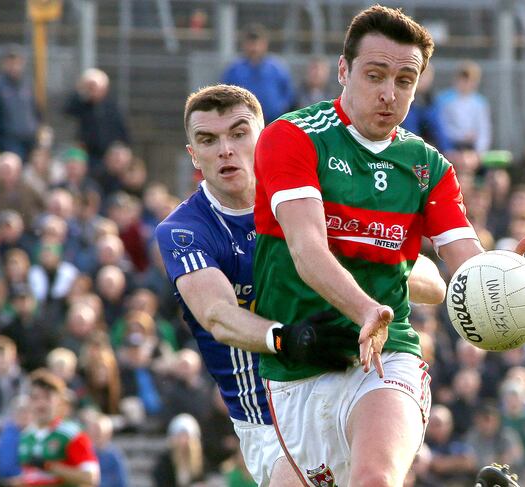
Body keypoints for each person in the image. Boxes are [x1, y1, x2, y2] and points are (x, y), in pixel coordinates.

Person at [252, 6, 525, 486]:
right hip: (298, 368)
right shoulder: (293, 137)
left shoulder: (427, 166)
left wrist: (495, 282)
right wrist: (364, 310)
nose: (389, 93)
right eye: (375, 75)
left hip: (388, 356)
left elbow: (465, 257)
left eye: (405, 80)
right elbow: (306, 248)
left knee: (374, 480)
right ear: (344, 70)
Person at [156, 84, 446, 486]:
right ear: (194, 155)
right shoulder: (185, 230)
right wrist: (286, 338)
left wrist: (367, 257)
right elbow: (218, 316)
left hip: (348, 376)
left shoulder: (310, 195)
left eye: (239, 133)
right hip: (266, 417)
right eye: (208, 139)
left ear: (265, 137)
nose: (225, 149)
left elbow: (434, 286)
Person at [15, 369, 100, 486]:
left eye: (47, 397)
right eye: (35, 397)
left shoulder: (71, 434)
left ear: (59, 401)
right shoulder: (26, 436)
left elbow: (91, 478)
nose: (41, 403)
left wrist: (50, 467)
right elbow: (33, 478)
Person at [221, 23, 296, 124]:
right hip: (244, 122)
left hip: (274, 122)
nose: (254, 48)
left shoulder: (277, 68)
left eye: (257, 44)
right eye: (250, 44)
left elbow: (289, 94)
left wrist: (281, 107)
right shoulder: (234, 70)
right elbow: (225, 94)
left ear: (265, 44)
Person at [63, 68, 130, 167]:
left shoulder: (111, 108)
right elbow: (67, 111)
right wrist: (81, 91)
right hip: (85, 153)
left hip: (108, 155)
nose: (94, 91)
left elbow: (122, 132)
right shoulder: (81, 104)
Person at [0, 48, 40, 160]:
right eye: (10, 63)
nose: (14, 66)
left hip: (29, 137)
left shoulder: (27, 84)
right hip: (7, 138)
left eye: (17, 62)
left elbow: (36, 110)